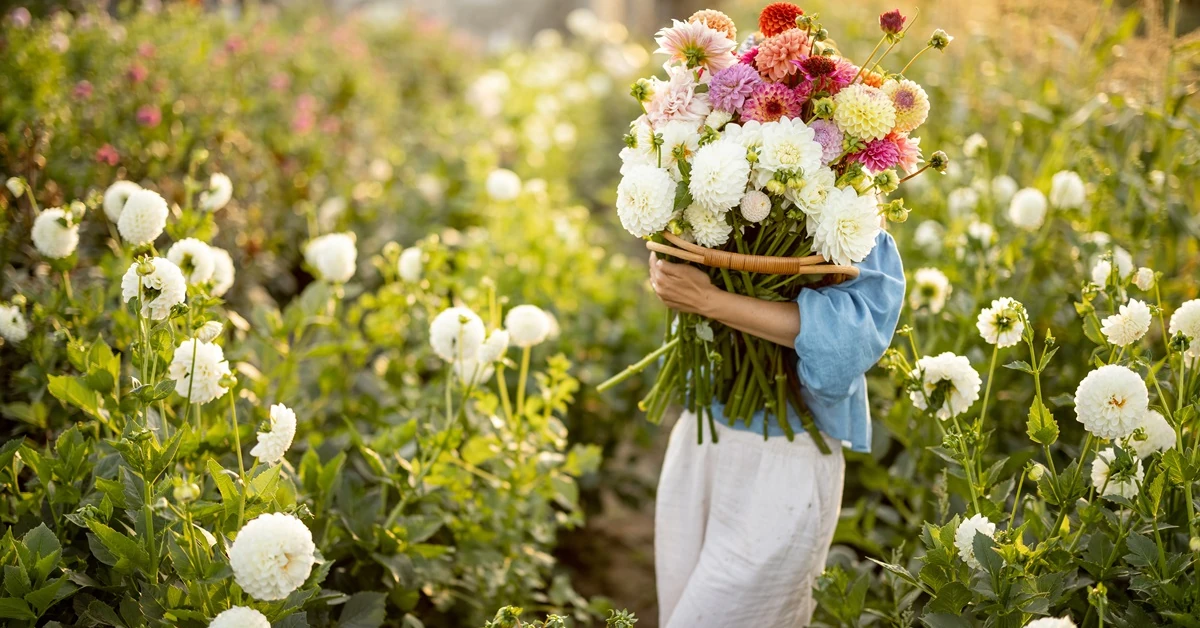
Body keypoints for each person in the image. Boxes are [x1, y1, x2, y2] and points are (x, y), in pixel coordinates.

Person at [647, 228, 905, 627]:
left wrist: (709, 301)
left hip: (788, 453)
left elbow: (846, 341)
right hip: (700, 432)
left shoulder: (855, 215)